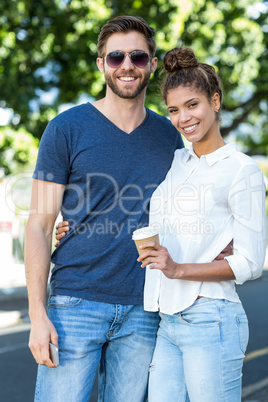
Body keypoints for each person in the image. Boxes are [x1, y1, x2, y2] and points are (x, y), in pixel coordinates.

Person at [24, 15, 185, 402]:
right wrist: (37, 314)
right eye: (115, 57)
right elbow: (40, 224)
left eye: (137, 57)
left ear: (150, 63)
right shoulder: (66, 128)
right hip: (74, 304)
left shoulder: (171, 137)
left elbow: (184, 214)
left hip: (143, 310)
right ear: (101, 64)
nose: (127, 65)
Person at [135, 47, 267, 401]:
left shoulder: (242, 170)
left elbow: (251, 263)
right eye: (174, 110)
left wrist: (179, 269)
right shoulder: (177, 160)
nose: (183, 118)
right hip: (168, 320)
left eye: (193, 104)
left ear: (215, 101)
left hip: (212, 319)